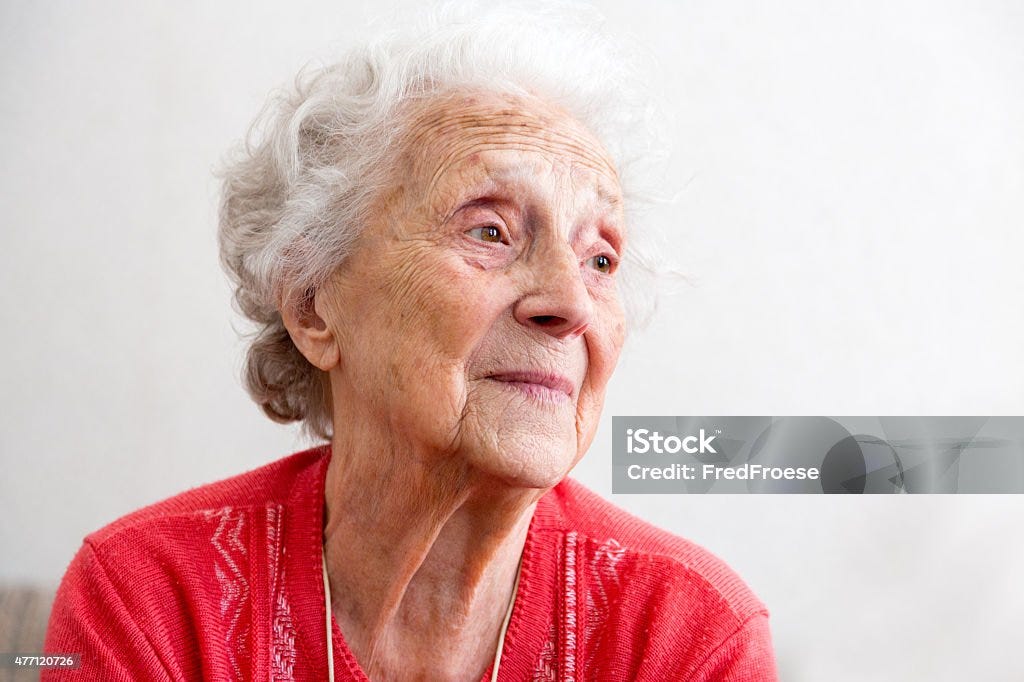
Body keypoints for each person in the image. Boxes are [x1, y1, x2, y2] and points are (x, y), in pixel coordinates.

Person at [44, 2, 778, 679]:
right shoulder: (148, 599)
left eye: (601, 260)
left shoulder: (690, 634)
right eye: (489, 230)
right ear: (313, 306)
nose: (569, 304)